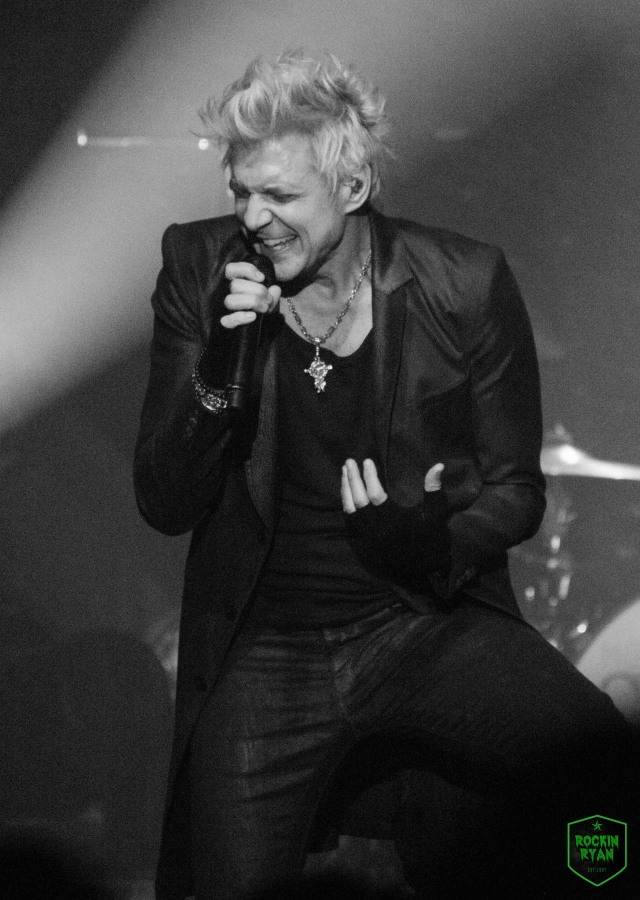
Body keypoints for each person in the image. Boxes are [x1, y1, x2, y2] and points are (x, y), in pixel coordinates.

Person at [134, 51, 636, 900]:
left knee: (608, 768)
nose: (253, 218)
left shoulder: (464, 283)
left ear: (354, 186)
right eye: (241, 191)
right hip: (267, 643)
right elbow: (163, 499)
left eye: (280, 195)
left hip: (420, 621)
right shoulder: (200, 266)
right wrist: (219, 365)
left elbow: (517, 490)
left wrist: (426, 537)